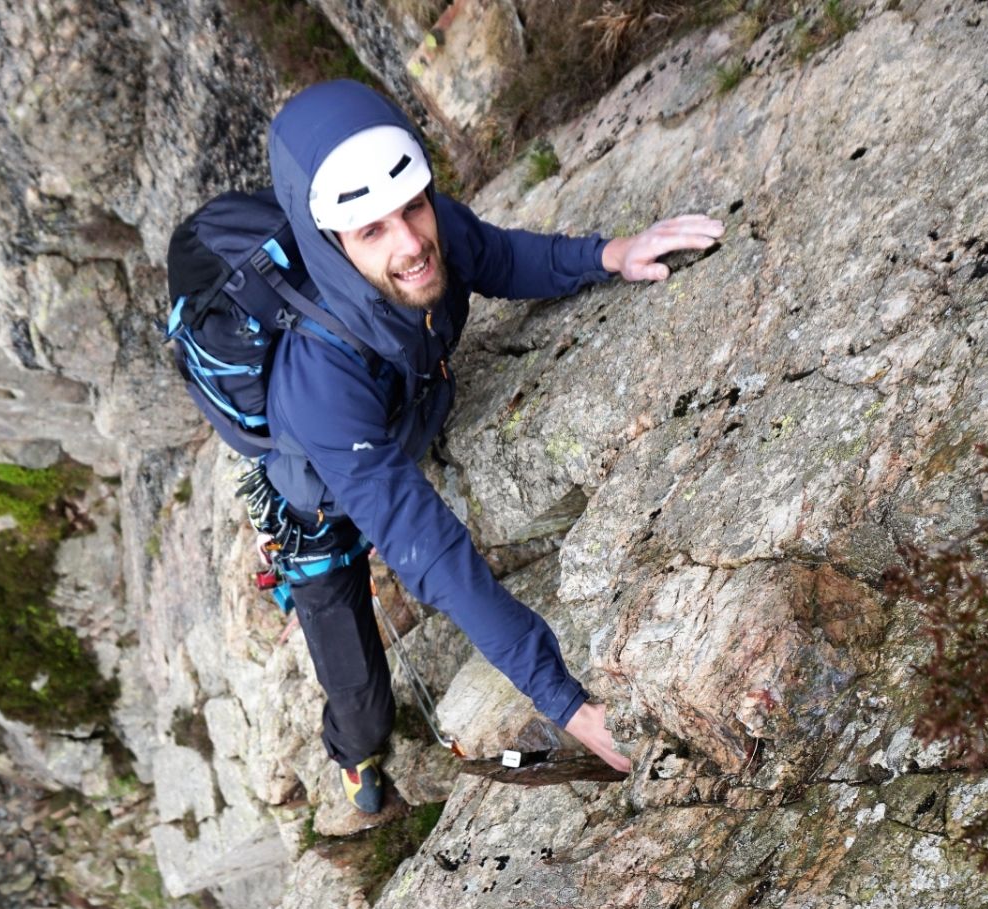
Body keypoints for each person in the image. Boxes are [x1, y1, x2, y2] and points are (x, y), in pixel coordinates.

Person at [261, 79, 722, 815]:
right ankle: (351, 753)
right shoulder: (318, 378)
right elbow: (431, 550)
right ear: (330, 243)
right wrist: (566, 703)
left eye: (412, 207)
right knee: (360, 696)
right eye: (373, 231)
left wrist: (611, 254)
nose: (411, 243)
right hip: (322, 491)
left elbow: (499, 258)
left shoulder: (431, 229)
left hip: (389, 422)